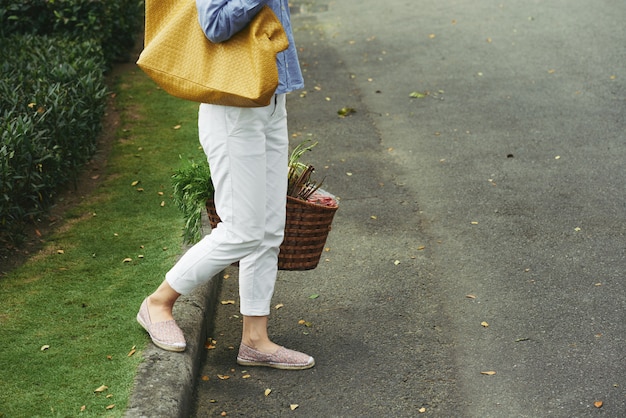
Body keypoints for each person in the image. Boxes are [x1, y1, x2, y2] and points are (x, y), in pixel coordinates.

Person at [136, 0, 314, 370]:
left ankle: (255, 340)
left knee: (268, 230)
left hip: (270, 96)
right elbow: (214, 23)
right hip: (233, 104)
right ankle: (158, 302)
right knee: (242, 230)